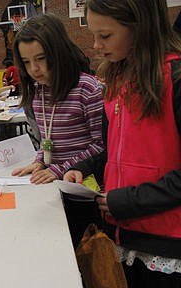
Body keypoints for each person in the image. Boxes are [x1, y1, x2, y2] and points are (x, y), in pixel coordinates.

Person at [64, 0, 181, 286]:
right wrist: (84, 167)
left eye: (105, 36)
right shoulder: (116, 81)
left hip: (168, 246)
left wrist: (129, 200)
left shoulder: (176, 80)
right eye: (93, 35)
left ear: (140, 27)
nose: (95, 45)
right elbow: (113, 147)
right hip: (122, 238)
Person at [11, 13, 104, 185]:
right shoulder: (38, 91)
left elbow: (101, 146)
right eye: (26, 62)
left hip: (86, 184)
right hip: (54, 184)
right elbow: (47, 141)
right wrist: (39, 161)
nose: (34, 69)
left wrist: (60, 169)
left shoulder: (87, 89)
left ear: (59, 52)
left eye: (40, 58)